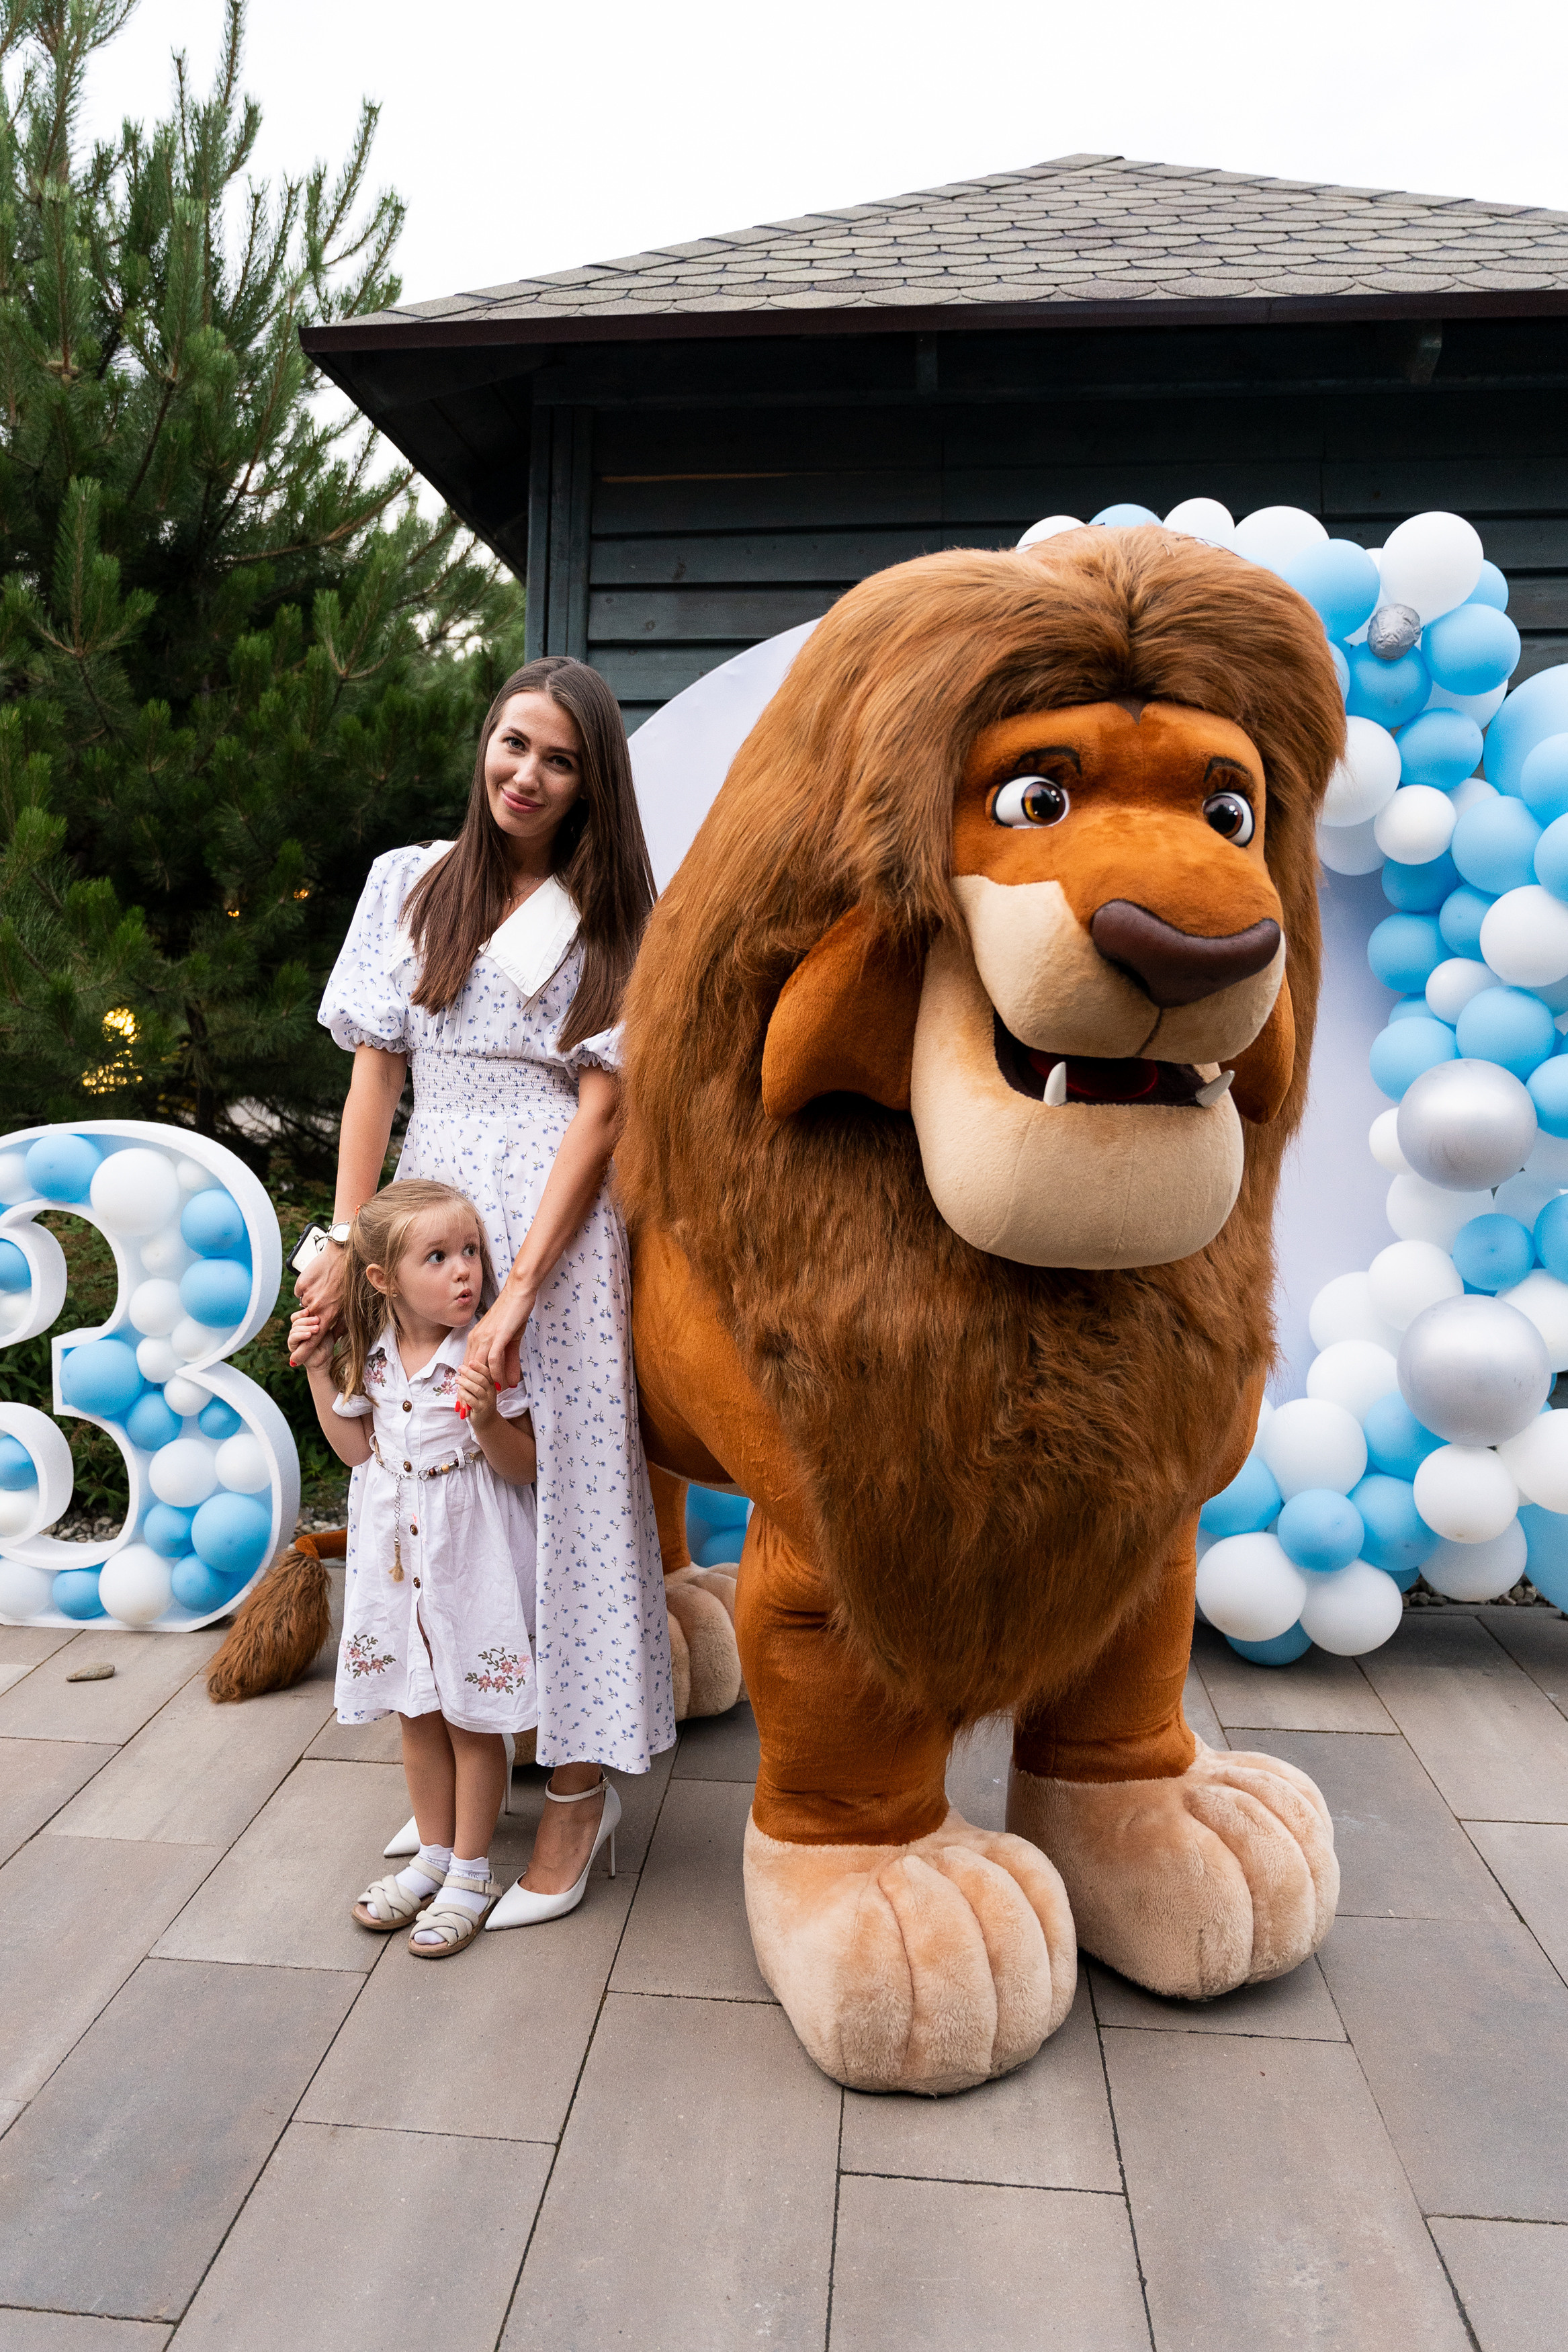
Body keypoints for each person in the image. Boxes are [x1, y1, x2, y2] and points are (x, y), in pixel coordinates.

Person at [298, 656, 672, 1929]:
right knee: (420, 1481)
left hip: (551, 1225)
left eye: (558, 759)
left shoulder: (609, 913)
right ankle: (465, 1749)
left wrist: (517, 1294)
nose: (526, 773)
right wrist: (349, 1245)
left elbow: (603, 1108)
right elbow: (373, 1083)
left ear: (589, 783)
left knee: (551, 1481)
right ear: (485, 744)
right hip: (424, 1202)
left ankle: (575, 1788)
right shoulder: (409, 884)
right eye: (513, 744)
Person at [291, 1179, 543, 1958]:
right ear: (383, 1280)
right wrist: (316, 1371)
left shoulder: (486, 1352)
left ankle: (472, 1870)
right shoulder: (371, 1355)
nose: (465, 1271)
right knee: (415, 1712)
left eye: (470, 1251)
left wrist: (490, 1417)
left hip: (469, 1560)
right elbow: (357, 1452)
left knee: (472, 1719)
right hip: (396, 1564)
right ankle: (433, 1855)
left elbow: (524, 1467)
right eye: (438, 1257)